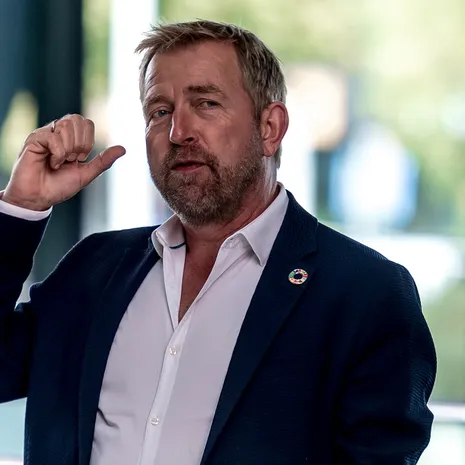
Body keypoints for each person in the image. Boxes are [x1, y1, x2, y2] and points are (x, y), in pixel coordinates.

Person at [0, 20, 436, 465]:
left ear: (270, 128)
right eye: (160, 112)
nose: (178, 132)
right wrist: (20, 208)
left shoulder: (366, 294)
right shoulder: (95, 268)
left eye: (206, 103)